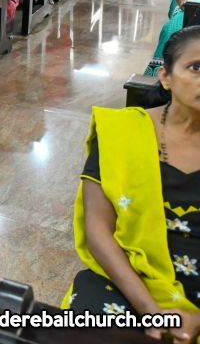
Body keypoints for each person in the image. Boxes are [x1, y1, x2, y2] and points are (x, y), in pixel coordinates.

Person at [64, 27, 200, 342]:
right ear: (166, 77)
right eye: (196, 67)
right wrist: (150, 311)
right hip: (128, 279)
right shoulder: (122, 132)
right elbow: (99, 232)